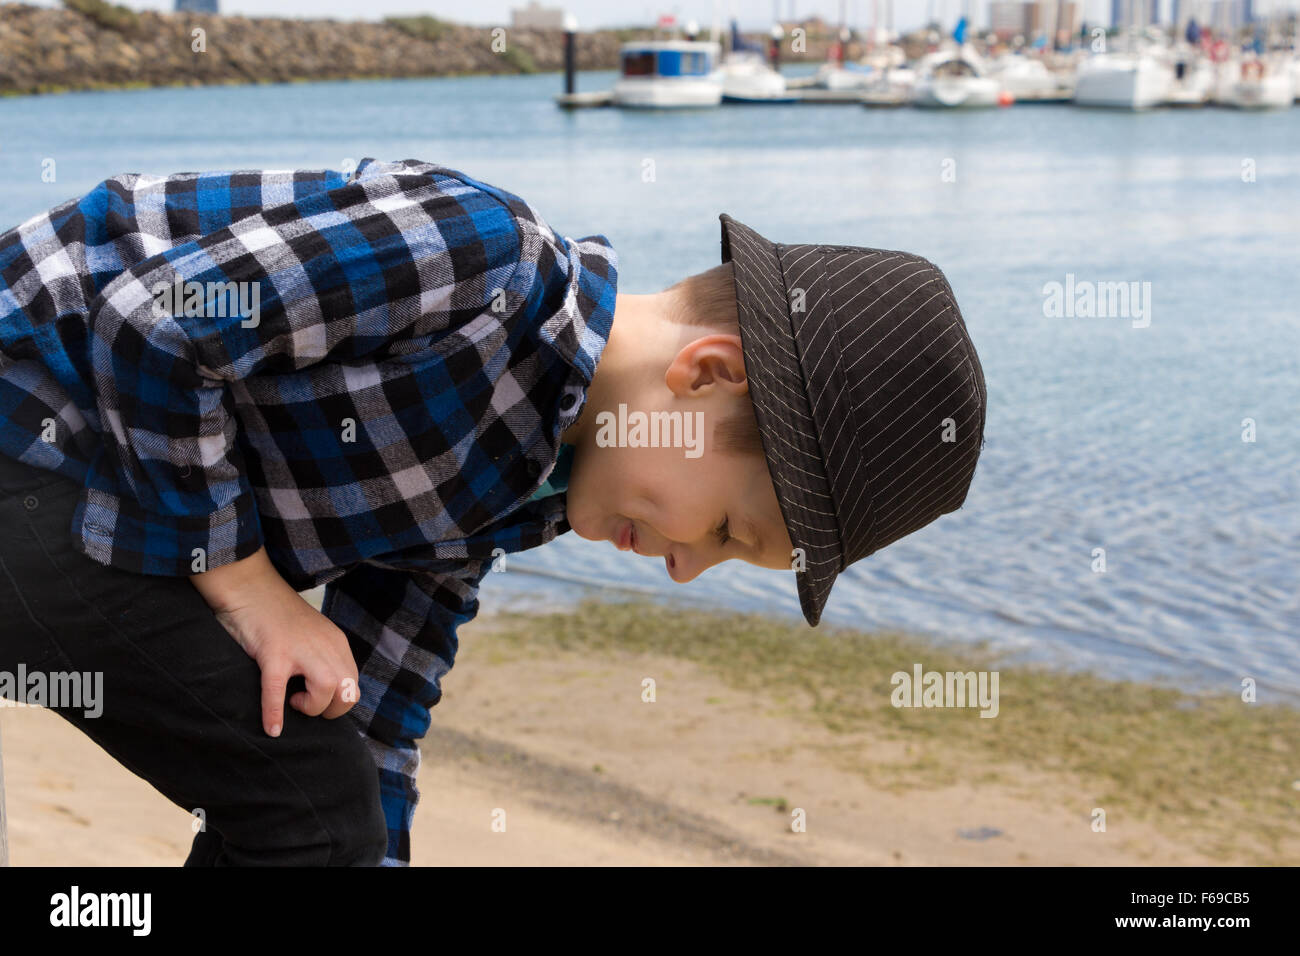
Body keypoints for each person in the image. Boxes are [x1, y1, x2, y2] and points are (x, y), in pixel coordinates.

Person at [0, 158, 985, 865]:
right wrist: (251, 587)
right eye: (727, 530)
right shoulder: (479, 257)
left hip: (96, 509)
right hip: (29, 419)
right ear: (706, 374)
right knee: (312, 802)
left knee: (326, 800)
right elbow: (159, 317)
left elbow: (373, 721)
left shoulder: (519, 496)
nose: (686, 568)